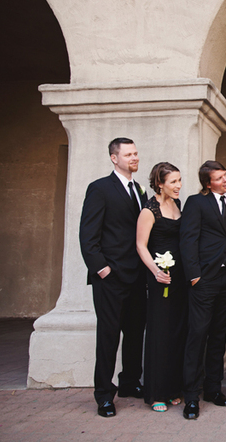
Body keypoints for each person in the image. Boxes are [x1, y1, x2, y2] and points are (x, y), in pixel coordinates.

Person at [79, 137, 148, 418]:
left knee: (135, 333)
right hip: (111, 277)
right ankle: (104, 395)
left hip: (137, 276)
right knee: (108, 337)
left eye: (136, 153)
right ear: (114, 158)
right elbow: (88, 236)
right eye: (128, 154)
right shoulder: (100, 188)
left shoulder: (140, 190)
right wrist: (102, 269)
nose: (134, 158)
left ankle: (130, 382)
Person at [179, 161, 226, 419]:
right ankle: (191, 397)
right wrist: (194, 276)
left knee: (219, 335)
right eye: (218, 178)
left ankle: (213, 389)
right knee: (198, 335)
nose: (225, 180)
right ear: (208, 184)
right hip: (204, 280)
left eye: (225, 175)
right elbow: (188, 239)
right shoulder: (196, 203)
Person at [135, 162, 187, 412]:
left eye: (179, 180)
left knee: (177, 331)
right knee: (160, 332)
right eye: (173, 181)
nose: (178, 186)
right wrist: (156, 271)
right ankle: (157, 392)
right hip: (160, 278)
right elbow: (140, 245)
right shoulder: (149, 209)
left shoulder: (177, 204)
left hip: (179, 277)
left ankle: (173, 388)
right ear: (159, 184)